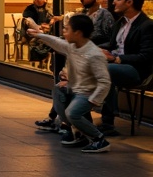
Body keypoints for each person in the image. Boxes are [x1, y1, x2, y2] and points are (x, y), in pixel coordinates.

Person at [28, 14, 111, 153]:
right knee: (58, 90)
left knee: (72, 113)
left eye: (66, 29)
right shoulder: (73, 47)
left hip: (88, 93)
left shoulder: (94, 54)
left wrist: (95, 99)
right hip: (74, 89)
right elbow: (57, 42)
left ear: (77, 33)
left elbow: (104, 81)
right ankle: (76, 131)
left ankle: (99, 139)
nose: (63, 32)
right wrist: (39, 35)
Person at [96, 0, 153, 136]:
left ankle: (108, 121)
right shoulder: (120, 22)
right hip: (115, 64)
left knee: (106, 70)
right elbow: (112, 44)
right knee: (81, 64)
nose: (114, 2)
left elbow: (146, 56)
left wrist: (116, 59)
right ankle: (63, 117)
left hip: (136, 70)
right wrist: (92, 48)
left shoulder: (146, 26)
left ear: (129, 2)